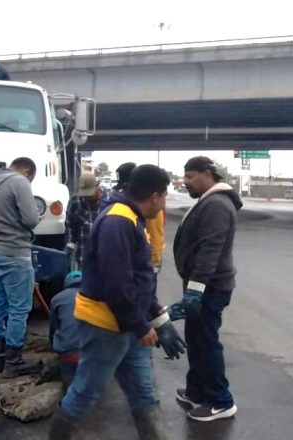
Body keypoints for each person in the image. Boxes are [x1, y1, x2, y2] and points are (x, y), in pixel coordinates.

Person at [49, 165, 186, 440]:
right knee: (85, 390)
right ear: (155, 196)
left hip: (126, 323)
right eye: (165, 198)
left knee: (142, 392)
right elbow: (117, 284)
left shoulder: (131, 218)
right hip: (106, 326)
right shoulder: (118, 221)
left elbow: (139, 279)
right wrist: (140, 326)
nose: (163, 205)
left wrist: (158, 318)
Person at [172, 156, 242, 422]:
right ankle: (197, 391)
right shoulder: (208, 201)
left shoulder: (216, 204)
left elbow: (210, 250)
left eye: (191, 177)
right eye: (185, 176)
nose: (186, 182)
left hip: (209, 287)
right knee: (197, 339)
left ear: (207, 174)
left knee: (206, 342)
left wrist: (195, 290)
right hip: (202, 286)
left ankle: (220, 400)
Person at [0, 157, 43, 378]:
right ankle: (14, 362)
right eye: (31, 179)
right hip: (16, 253)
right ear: (27, 171)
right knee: (19, 309)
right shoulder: (19, 181)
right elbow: (31, 220)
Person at [49, 271, 83, 389]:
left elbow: (53, 327)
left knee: (69, 384)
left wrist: (52, 345)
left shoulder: (57, 299)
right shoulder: (95, 296)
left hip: (68, 352)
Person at [65, 173, 101, 270]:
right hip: (84, 257)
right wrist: (70, 244)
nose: (87, 197)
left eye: (90, 193)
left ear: (97, 186)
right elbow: (69, 224)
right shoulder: (75, 201)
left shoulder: (107, 202)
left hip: (105, 257)